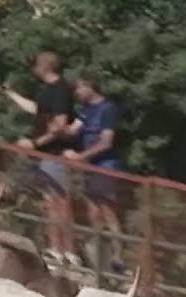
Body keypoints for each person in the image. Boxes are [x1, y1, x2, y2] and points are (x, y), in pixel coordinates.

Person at [5, 51, 76, 264]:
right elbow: (36, 110)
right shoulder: (46, 91)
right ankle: (55, 249)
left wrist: (35, 143)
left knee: (60, 201)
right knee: (49, 201)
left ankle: (69, 252)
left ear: (45, 66)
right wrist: (10, 94)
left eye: (36, 64)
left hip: (55, 153)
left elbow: (61, 124)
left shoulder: (61, 89)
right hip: (43, 154)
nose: (33, 68)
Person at [63, 72, 123, 271]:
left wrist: (81, 156)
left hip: (105, 165)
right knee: (93, 211)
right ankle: (99, 256)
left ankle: (118, 257)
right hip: (89, 167)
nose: (77, 92)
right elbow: (71, 130)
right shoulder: (85, 110)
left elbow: (106, 141)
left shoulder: (108, 109)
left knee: (108, 211)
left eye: (80, 87)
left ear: (90, 86)